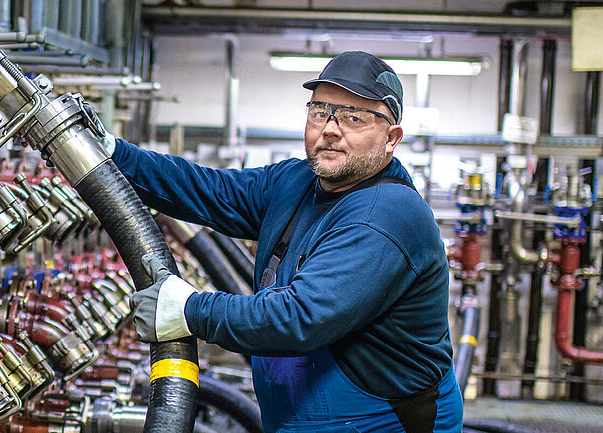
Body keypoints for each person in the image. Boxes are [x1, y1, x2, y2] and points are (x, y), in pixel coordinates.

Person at [93, 51, 463, 432]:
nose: (331, 128)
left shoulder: (386, 215)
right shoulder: (298, 183)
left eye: (354, 117)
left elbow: (301, 317)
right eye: (320, 111)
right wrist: (113, 155)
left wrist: (191, 310)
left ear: (391, 138)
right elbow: (210, 190)